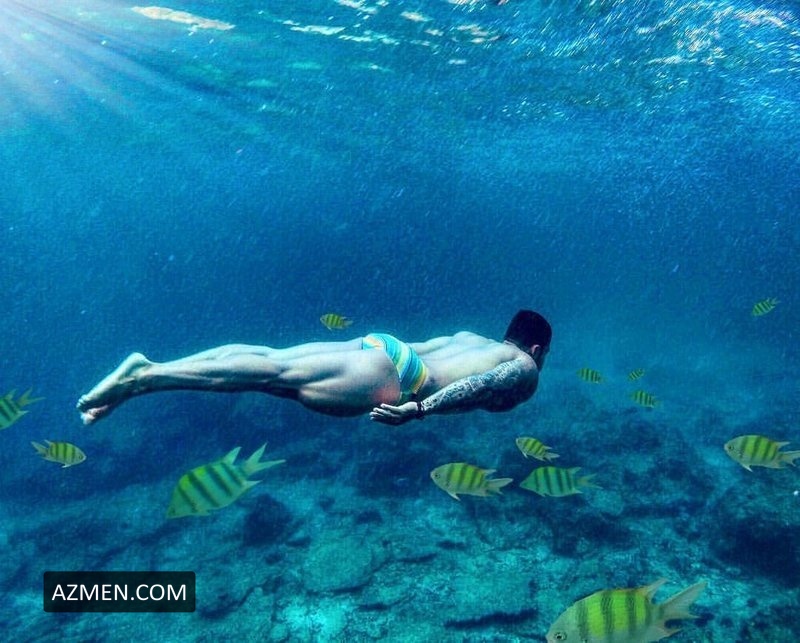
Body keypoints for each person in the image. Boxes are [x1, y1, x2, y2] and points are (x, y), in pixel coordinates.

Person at [77, 310, 551, 427]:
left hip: (386, 348)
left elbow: (459, 364)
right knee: (271, 377)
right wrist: (420, 410)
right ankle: (144, 378)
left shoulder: (474, 338)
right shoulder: (525, 365)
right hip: (403, 378)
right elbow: (483, 384)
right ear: (535, 347)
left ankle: (143, 376)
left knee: (271, 363)